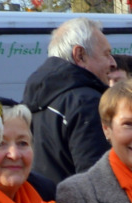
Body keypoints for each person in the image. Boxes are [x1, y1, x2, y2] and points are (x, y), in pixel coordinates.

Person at [25, 17, 117, 184]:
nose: (113, 63)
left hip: (42, 200)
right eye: (106, 54)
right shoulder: (86, 103)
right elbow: (98, 182)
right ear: (80, 55)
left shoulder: (34, 98)